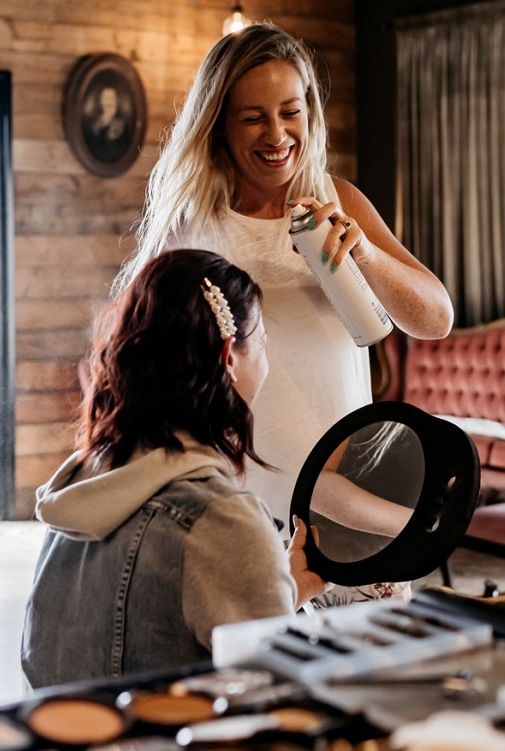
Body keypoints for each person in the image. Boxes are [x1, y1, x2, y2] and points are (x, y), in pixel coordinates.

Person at [119, 23, 452, 540]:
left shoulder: (338, 202)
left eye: (290, 112)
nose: (276, 136)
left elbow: (436, 320)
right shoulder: (192, 230)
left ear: (310, 116)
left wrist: (365, 254)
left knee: (370, 622)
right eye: (253, 118)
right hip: (243, 504)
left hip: (349, 491)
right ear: (220, 127)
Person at [22, 249, 324, 687]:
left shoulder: (86, 478)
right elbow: (270, 695)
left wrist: (286, 588)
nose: (266, 361)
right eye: (260, 343)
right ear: (229, 357)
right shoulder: (221, 519)